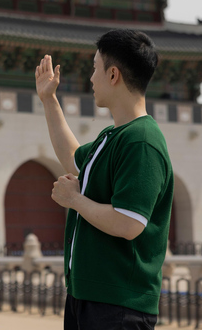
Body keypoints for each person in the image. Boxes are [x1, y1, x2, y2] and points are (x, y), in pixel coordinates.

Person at [35, 29, 174, 329]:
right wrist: (49, 100)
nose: (91, 78)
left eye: (95, 68)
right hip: (89, 298)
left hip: (118, 306)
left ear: (113, 75)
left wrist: (74, 200)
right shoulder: (113, 136)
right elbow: (73, 157)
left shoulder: (141, 141)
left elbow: (128, 223)